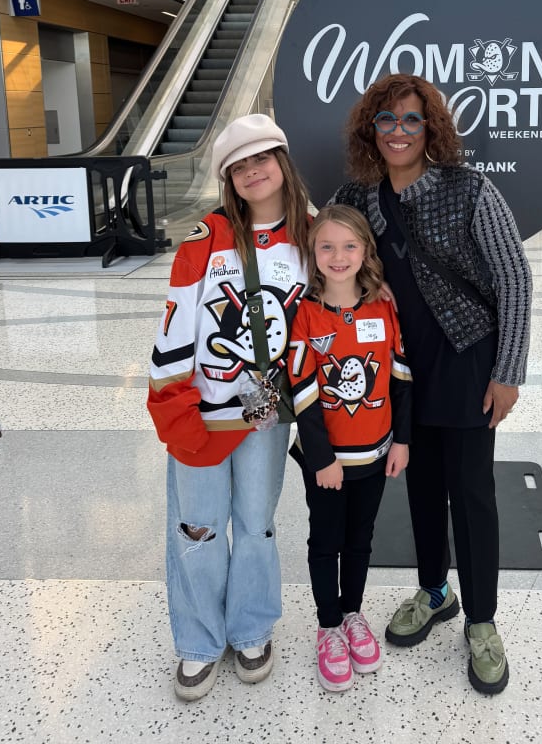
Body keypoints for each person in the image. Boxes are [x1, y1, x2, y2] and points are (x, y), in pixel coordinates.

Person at [326, 74, 532, 696]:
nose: (398, 132)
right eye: (386, 120)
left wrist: (508, 373)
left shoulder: (470, 189)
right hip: (402, 371)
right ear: (371, 130)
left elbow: (515, 280)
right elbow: (329, 253)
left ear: (430, 128)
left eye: (411, 120)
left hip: (467, 361)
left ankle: (482, 620)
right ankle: (435, 590)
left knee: (471, 495)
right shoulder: (354, 197)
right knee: (420, 488)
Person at [146, 113, 315, 701]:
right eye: (238, 165)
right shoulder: (208, 236)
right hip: (203, 413)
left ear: (282, 161)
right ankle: (197, 640)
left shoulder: (313, 234)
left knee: (256, 525)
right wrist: (173, 408)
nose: (252, 171)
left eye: (261, 157)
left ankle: (250, 628)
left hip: (267, 418)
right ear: (227, 179)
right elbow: (175, 325)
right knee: (196, 527)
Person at [285, 204, 412, 692]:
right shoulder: (305, 313)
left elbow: (401, 378)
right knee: (326, 541)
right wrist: (322, 458)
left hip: (375, 455)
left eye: (349, 246)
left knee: (361, 539)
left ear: (365, 251)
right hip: (327, 463)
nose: (338, 256)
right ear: (313, 252)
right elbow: (302, 390)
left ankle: (353, 612)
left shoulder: (383, 307)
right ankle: (328, 626)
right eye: (327, 246)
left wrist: (402, 440)